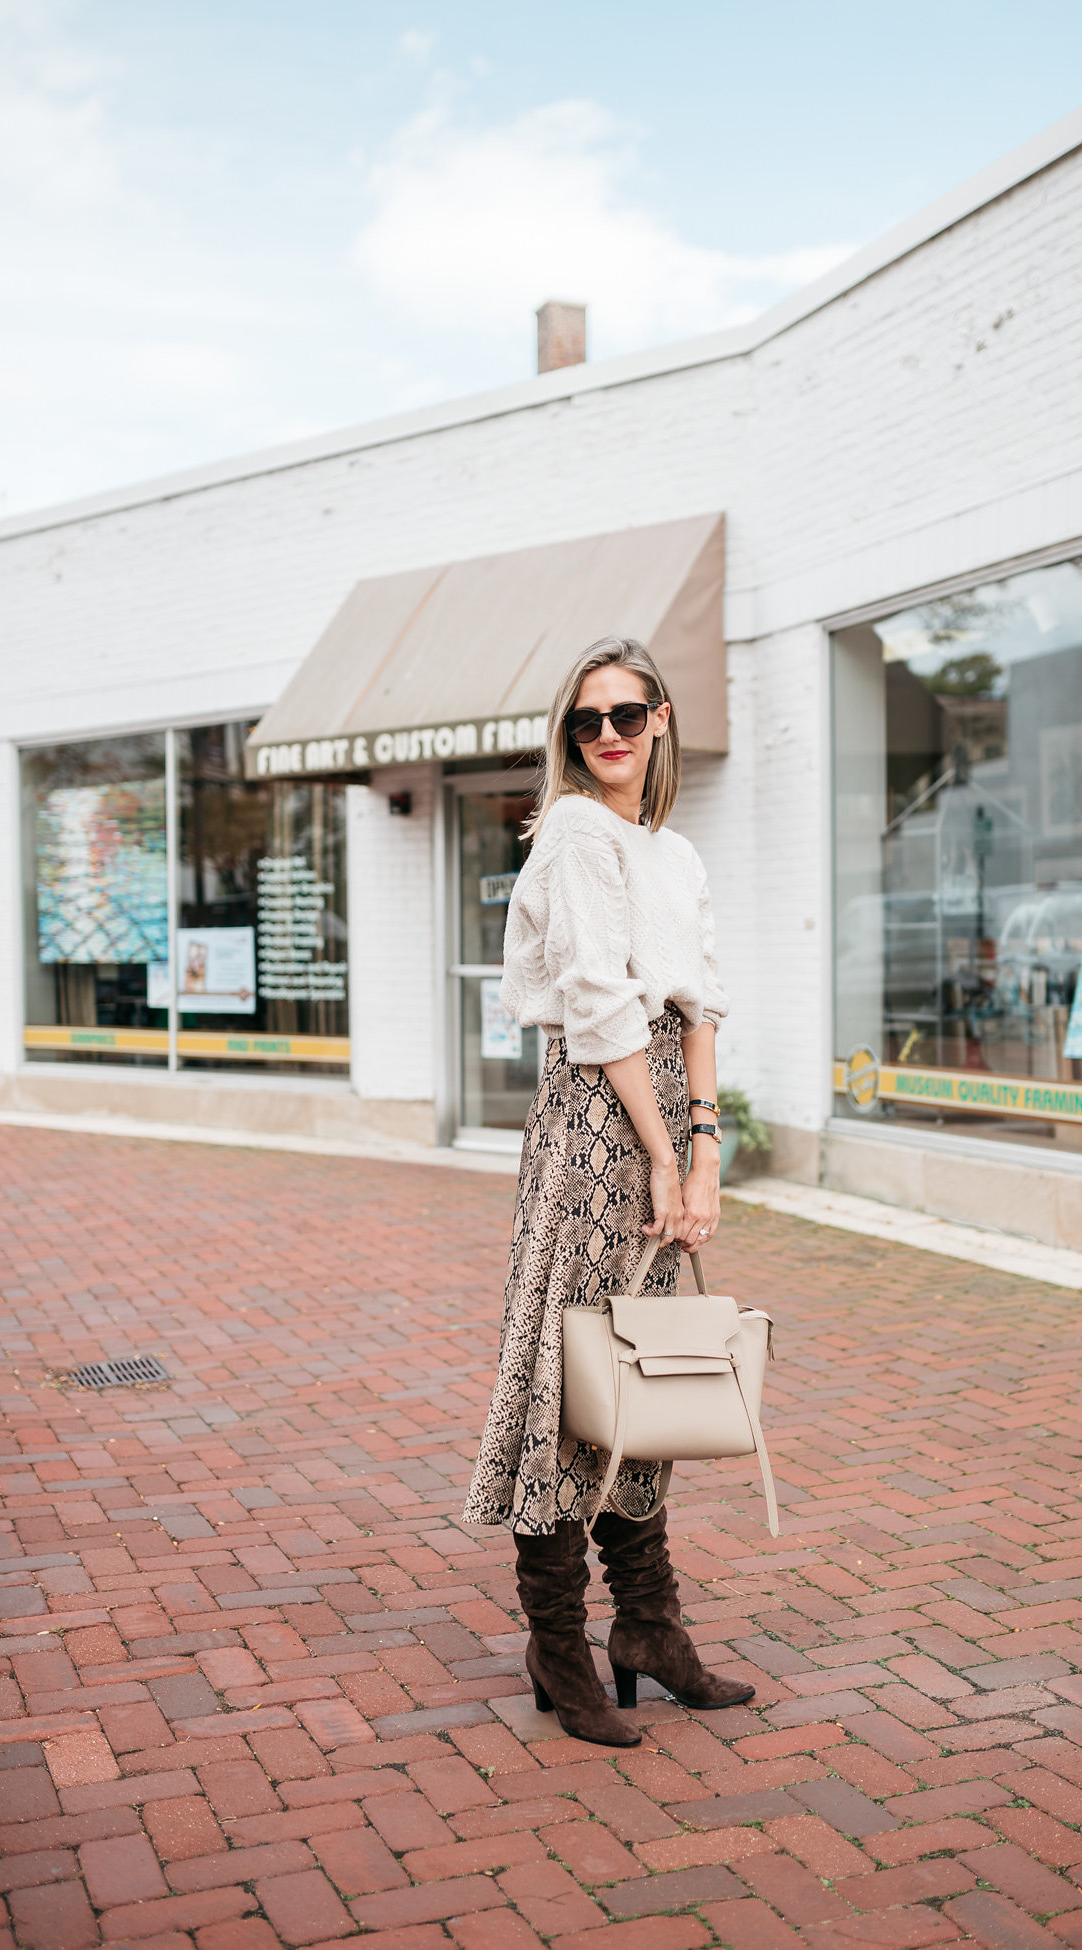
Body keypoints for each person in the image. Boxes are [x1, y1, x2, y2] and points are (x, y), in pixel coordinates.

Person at [463, 635, 755, 1746]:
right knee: (572, 1379)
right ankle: (557, 1639)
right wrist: (664, 1152)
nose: (606, 739)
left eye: (626, 716)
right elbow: (598, 1004)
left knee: (647, 1370)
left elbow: (701, 1000)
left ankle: (648, 1625)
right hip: (597, 1117)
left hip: (668, 1109)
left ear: (662, 719)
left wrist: (707, 1141)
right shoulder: (578, 833)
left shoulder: (670, 852)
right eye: (585, 723)